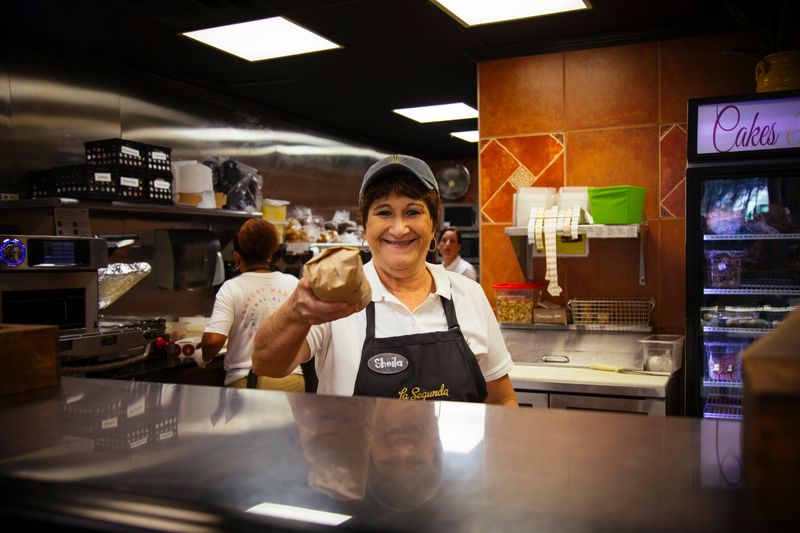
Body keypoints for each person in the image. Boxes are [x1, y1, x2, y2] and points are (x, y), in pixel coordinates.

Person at [252, 154, 518, 406]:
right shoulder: (335, 296)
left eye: (413, 212)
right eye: (384, 212)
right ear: (366, 227)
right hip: (352, 455)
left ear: (433, 224)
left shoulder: (468, 294)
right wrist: (295, 313)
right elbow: (266, 364)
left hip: (456, 456)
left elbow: (501, 401)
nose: (399, 228)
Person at [201, 218, 304, 391]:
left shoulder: (232, 287)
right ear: (271, 253)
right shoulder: (292, 283)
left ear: (236, 255)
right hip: (291, 379)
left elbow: (213, 341)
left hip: (249, 381)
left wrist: (203, 355)